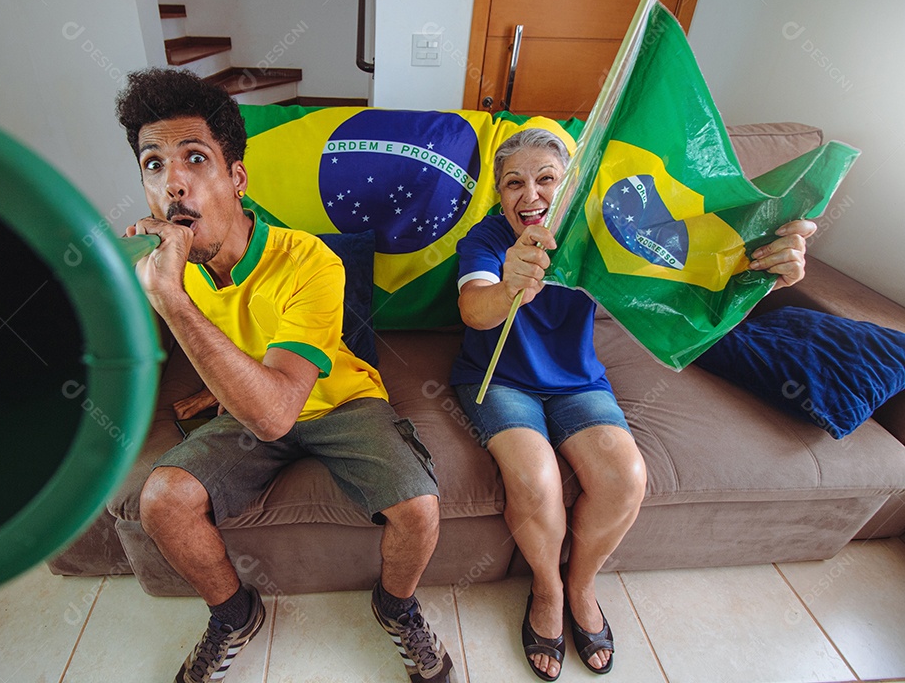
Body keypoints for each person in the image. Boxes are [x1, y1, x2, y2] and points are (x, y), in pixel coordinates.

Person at [118, 67, 453, 683]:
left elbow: (276, 411)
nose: (175, 186)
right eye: (153, 165)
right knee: (162, 502)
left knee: (420, 507)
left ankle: (397, 608)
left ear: (236, 178)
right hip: (240, 405)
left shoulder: (308, 261)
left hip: (335, 403)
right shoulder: (168, 266)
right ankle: (234, 614)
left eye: (195, 159)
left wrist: (174, 304)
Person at [449, 128, 816, 680]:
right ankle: (546, 591)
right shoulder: (485, 239)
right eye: (513, 184)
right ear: (499, 195)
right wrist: (508, 286)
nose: (530, 196)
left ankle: (581, 585)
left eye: (547, 179)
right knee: (535, 482)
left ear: (570, 183)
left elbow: (690, 267)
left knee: (625, 476)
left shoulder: (602, 232)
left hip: (577, 382)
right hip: (500, 380)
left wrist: (761, 266)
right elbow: (475, 311)